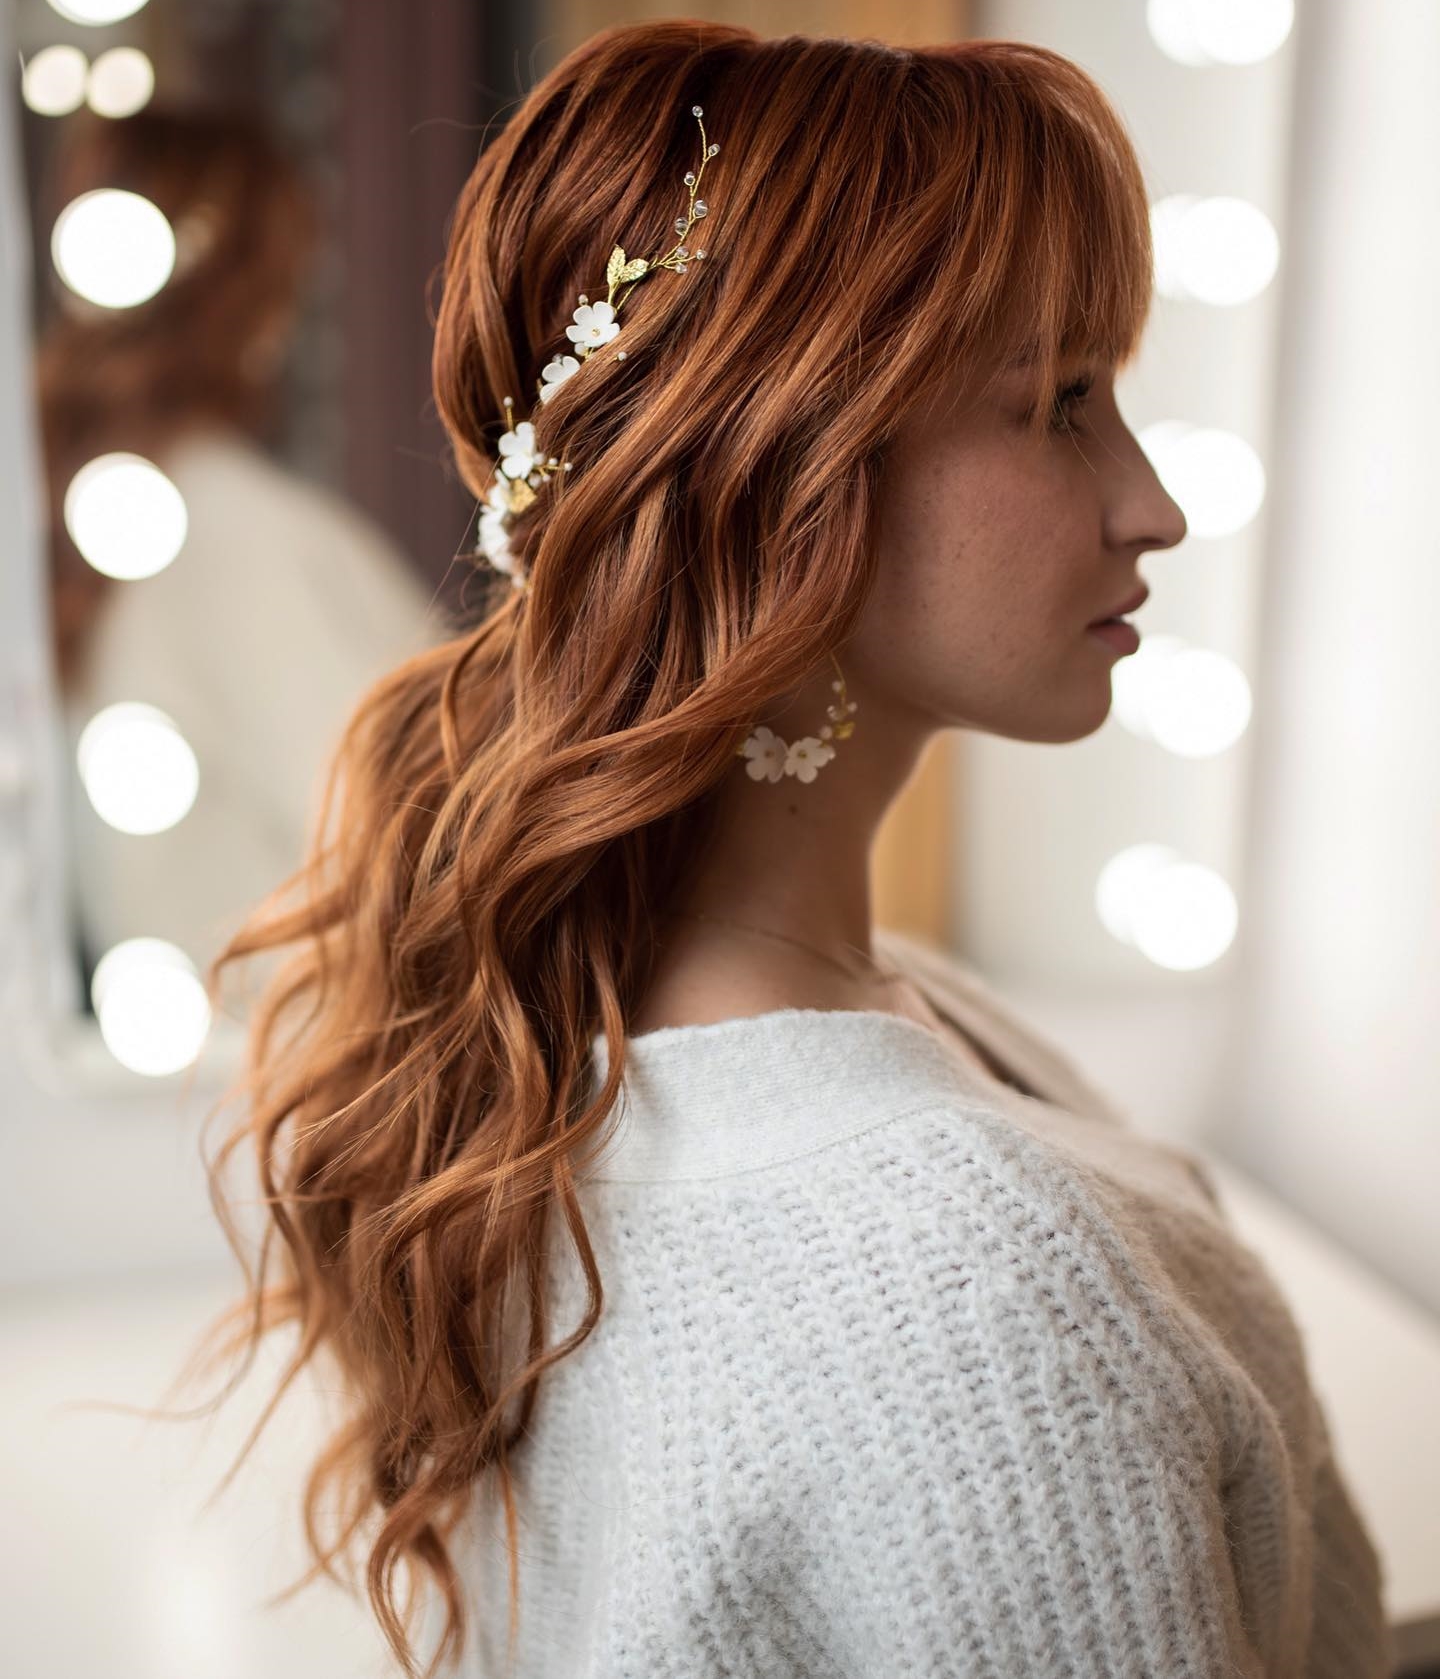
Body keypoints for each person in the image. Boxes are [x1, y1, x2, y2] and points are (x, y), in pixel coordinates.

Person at [160, 22, 1392, 1679]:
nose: (1151, 502)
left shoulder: (599, 1046)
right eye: (1064, 402)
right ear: (785, 469)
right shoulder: (979, 1304)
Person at [34, 104, 446, 987]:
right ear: (262, 299)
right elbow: (430, 860)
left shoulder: (93, 534)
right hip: (304, 1089)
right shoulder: (241, 545)